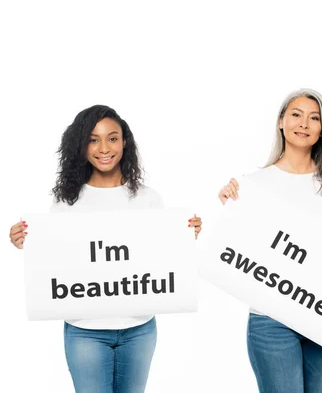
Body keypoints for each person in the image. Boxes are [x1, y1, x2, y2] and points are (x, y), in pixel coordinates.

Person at [8, 105, 202, 393]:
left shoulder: (148, 199)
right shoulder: (67, 204)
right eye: (93, 139)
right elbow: (58, 260)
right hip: (85, 331)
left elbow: (158, 258)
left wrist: (184, 235)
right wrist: (27, 241)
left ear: (125, 142)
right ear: (82, 145)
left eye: (112, 138)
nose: (103, 148)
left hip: (139, 328)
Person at [218, 89, 322, 393]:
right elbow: (237, 252)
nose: (304, 123)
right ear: (281, 122)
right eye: (296, 114)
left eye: (314, 118)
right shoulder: (253, 185)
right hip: (271, 320)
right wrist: (228, 209)